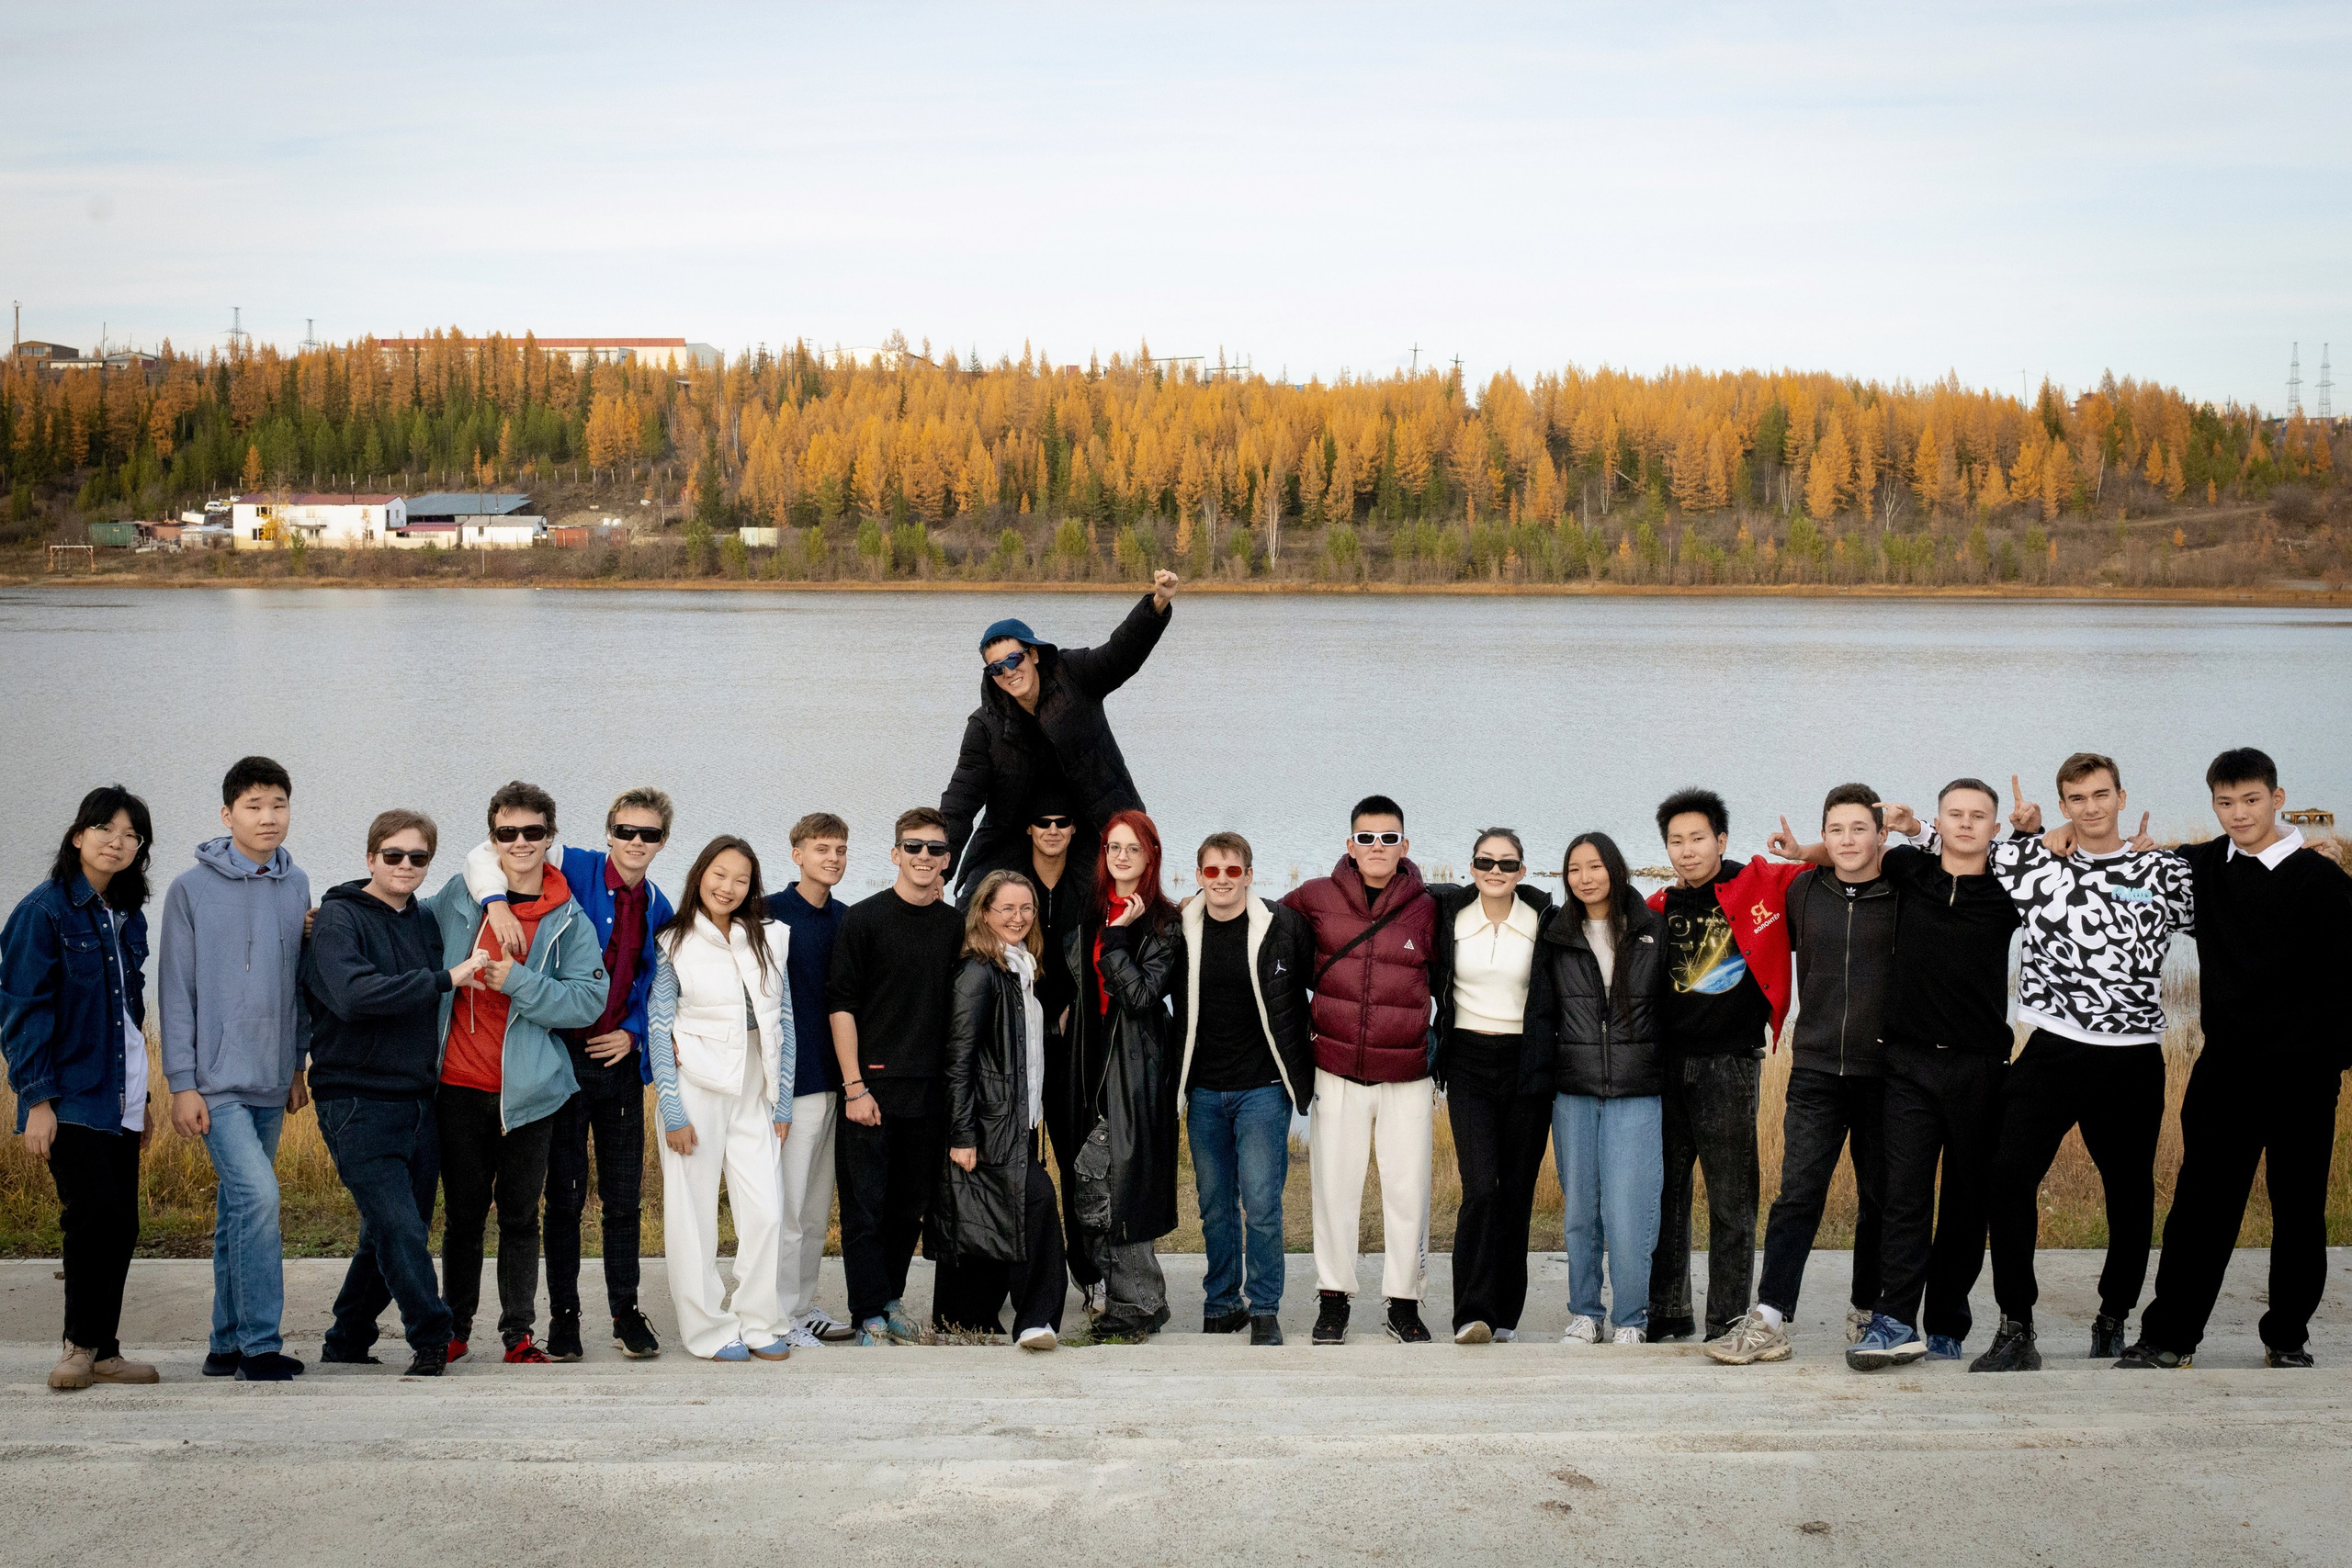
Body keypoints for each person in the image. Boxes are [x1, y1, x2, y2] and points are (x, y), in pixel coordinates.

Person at [2122, 749, 2352, 1370]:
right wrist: (2123, 850)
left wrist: (2331, 1058)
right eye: (2225, 803)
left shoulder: (2322, 879)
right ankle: (2170, 1337)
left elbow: (2346, 979)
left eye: (2251, 800)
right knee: (2201, 1205)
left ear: (2278, 798)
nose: (2239, 814)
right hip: (2224, 1070)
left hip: (2303, 1075)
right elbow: (2128, 877)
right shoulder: (2202, 865)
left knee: (2298, 1208)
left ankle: (2287, 1337)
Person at [1968, 757, 2192, 1372]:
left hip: (2133, 1058)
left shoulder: (2164, 871)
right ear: (2063, 804)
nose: (2091, 807)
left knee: (2129, 1191)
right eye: (2077, 798)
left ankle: (2113, 1316)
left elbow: (2238, 899)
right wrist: (1916, 826)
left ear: (2121, 796)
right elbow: (1954, 847)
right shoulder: (2033, 862)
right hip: (2053, 1050)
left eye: (2101, 794)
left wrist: (2309, 851)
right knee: (2007, 1174)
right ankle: (2017, 1327)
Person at [1792, 778, 2022, 1371]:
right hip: (1908, 1064)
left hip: (1979, 1066)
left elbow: (2059, 868)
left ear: (1995, 828)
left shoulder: (2011, 890)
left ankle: (1946, 1324)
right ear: (1937, 823)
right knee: (1902, 1198)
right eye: (1954, 815)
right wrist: (1804, 852)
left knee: (1966, 1203)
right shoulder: (1908, 871)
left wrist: (2048, 832)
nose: (1965, 824)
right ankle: (1894, 1320)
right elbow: (1854, 854)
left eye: (1978, 816)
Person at [467, 787, 676, 1362]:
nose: (636, 842)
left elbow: (656, 982)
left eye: (649, 834)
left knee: (623, 1199)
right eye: (626, 831)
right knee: (563, 1197)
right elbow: (484, 853)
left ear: (662, 842)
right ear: (609, 832)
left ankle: (626, 1313)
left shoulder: (658, 904)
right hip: (562, 1060)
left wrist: (634, 1032)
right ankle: (565, 1318)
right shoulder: (572, 864)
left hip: (618, 1066)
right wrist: (496, 904)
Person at [425, 781, 611, 1364]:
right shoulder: (461, 897)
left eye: (533, 831)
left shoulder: (568, 918)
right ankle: (454, 1330)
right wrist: (336, 911)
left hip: (529, 1094)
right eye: (508, 833)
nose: (521, 842)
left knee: (520, 1218)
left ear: (550, 837)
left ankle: (518, 1336)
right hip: (457, 1086)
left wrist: (519, 982)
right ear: (493, 839)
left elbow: (588, 1002)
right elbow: (402, 917)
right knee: (462, 1217)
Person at [1710, 784, 1895, 1366]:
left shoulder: (1904, 888)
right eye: (1835, 830)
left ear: (1881, 834)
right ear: (1824, 835)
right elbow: (1743, 891)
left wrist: (1914, 828)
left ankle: (1868, 1308)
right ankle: (1769, 1320)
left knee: (1881, 1198)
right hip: (1815, 1069)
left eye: (1859, 829)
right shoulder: (1803, 889)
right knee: (1797, 1196)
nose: (1847, 840)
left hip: (1886, 1072)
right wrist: (1801, 855)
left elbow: (1951, 856)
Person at [306, 809, 484, 1377]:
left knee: (388, 1231)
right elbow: (354, 995)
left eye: (418, 857)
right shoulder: (337, 920)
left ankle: (347, 1337)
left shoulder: (423, 919)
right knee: (400, 1229)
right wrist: (445, 979)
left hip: (417, 1101)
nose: (406, 865)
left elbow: (483, 866)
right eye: (393, 855)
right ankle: (433, 1337)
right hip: (355, 1101)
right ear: (370, 858)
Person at [158, 755, 312, 1382]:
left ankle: (223, 1344)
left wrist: (297, 1064)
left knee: (236, 1212)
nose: (268, 817)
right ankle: (259, 1344)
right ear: (228, 814)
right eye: (253, 806)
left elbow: (298, 984)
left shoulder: (297, 884)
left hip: (271, 1077)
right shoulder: (189, 890)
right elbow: (175, 990)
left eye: (278, 804)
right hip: (214, 1082)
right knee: (259, 1195)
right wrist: (182, 1083)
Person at [2, 786, 163, 1392]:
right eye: (105, 829)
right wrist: (37, 1099)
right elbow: (22, 1009)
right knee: (91, 1214)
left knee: (122, 1224)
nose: (117, 842)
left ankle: (105, 1351)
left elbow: (128, 1016)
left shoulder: (126, 915)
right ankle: (77, 1347)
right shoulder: (43, 912)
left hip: (120, 1094)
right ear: (77, 836)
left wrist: (142, 1099)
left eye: (131, 835)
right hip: (68, 1092)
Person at [1645, 788, 1804, 1344]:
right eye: (1676, 841)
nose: (1687, 851)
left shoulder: (1760, 883)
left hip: (1730, 1065)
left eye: (1698, 838)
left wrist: (1802, 849)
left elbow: (1834, 863)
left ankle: (1726, 1320)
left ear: (1721, 840)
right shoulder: (1658, 907)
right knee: (1666, 1193)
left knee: (1732, 1200)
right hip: (1666, 1066)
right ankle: (1668, 1311)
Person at [1283, 795, 1440, 1346]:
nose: (1378, 847)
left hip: (1407, 1074)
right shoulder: (1314, 897)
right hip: (1336, 1068)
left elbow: (1451, 974)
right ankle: (1333, 1300)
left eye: (1388, 838)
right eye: (1367, 838)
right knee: (1334, 1189)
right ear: (1350, 844)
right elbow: (1263, 930)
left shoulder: (1428, 906)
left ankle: (1404, 1303)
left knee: (1407, 1190)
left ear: (1405, 845)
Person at [940, 570, 1179, 896]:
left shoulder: (1074, 675)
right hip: (1016, 830)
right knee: (978, 899)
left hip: (1092, 823)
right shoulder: (985, 726)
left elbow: (1120, 654)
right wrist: (939, 869)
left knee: (1106, 899)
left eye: (1014, 659)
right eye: (996, 668)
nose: (1008, 672)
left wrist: (1158, 602)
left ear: (1034, 654)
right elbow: (960, 801)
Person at [647, 836, 795, 1361]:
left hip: (755, 1086)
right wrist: (672, 1111)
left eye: (741, 879)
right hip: (696, 1086)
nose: (728, 887)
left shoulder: (771, 937)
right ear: (700, 874)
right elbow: (659, 1025)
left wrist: (782, 1102)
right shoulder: (673, 942)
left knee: (766, 1211)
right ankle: (708, 1328)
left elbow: (784, 1020)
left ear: (752, 886)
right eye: (719, 874)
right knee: (693, 1216)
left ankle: (758, 1319)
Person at [827, 807, 966, 1345]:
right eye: (914, 847)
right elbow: (842, 1005)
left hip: (930, 1092)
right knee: (865, 1208)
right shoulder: (863, 920)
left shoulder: (956, 927)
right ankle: (867, 1313)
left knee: (910, 1210)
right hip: (872, 1089)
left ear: (947, 859)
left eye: (935, 849)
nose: (924, 856)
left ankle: (889, 1300)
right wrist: (854, 1086)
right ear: (895, 854)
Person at [1171, 831, 1314, 1345]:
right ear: (1199, 876)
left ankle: (1265, 1308)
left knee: (1262, 1206)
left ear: (1249, 875)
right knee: (1214, 1207)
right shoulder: (1181, 929)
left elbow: (1321, 982)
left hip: (1263, 1090)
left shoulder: (1281, 926)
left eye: (1233, 871)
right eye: (1212, 871)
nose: (1222, 880)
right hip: (1205, 1092)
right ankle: (1222, 1302)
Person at [1535, 830, 1668, 1346]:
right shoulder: (1557, 933)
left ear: (1614, 868)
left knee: (1630, 1212)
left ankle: (1631, 1318)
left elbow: (1672, 1010)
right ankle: (1585, 1313)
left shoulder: (1651, 929)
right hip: (1574, 1089)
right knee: (1580, 1212)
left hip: (1636, 1090)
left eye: (1594, 867)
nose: (1584, 878)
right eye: (1574, 869)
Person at [1428, 829, 1555, 1346]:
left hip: (1528, 1063)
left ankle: (1505, 1315)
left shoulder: (1544, 920)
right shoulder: (1450, 917)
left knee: (1516, 1193)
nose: (1495, 871)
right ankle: (1472, 1312)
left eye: (1506, 863)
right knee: (1481, 1188)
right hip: (1468, 1062)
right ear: (1472, 867)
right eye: (1485, 862)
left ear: (1522, 870)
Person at [939, 870, 1068, 1351]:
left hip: (1018, 1120)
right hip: (989, 1125)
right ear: (984, 913)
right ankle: (1037, 1320)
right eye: (1007, 908)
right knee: (1037, 1203)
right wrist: (962, 1133)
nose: (1018, 917)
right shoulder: (978, 972)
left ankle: (965, 1318)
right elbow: (959, 1059)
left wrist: (1054, 1028)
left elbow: (1013, 1044)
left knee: (990, 1215)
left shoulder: (1019, 967)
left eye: (1026, 908)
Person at [1080, 809, 1182, 1341]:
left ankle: (1139, 1302)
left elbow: (1141, 996)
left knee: (1117, 1185)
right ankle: (1130, 1295)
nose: (1122, 857)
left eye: (1133, 848)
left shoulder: (1163, 922)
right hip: (1089, 1059)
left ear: (1150, 857)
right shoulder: (1091, 909)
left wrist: (1118, 936)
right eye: (1114, 847)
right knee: (1093, 1184)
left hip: (1134, 1065)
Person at [765, 811, 856, 1347]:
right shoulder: (768, 914)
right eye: (822, 849)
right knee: (789, 1206)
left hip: (836, 1080)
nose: (833, 858)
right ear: (797, 854)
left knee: (817, 1208)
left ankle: (801, 1305)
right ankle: (776, 1314)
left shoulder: (847, 919)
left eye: (841, 850)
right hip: (791, 1084)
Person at [1022, 790, 1105, 1314]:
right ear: (1029, 829)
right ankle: (1021, 1278)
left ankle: (1090, 1274)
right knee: (1019, 1165)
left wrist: (1080, 1003)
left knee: (1079, 1162)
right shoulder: (1011, 884)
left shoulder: (1089, 886)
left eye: (1062, 821)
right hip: (1020, 1044)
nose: (1053, 829)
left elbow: (1100, 956)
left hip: (1073, 1047)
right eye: (1043, 820)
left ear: (1075, 830)